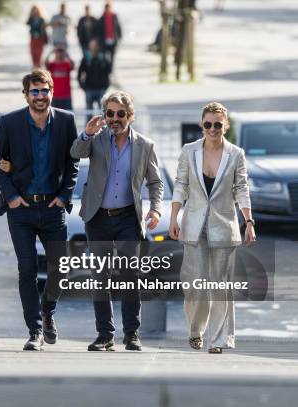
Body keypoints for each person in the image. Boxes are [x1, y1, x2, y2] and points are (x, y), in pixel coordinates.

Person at [70, 91, 163, 352]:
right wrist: (86, 133)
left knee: (130, 277)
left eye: (120, 114)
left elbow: (155, 182)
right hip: (98, 217)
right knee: (100, 277)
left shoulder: (145, 146)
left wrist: (155, 210)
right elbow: (75, 153)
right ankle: (105, 335)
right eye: (109, 113)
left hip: (128, 219)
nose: (114, 119)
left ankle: (132, 334)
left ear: (130, 117)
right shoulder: (97, 140)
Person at [0, 69, 79, 351]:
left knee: (60, 268)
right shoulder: (9, 123)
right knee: (27, 270)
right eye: (35, 91)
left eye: (44, 91)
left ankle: (48, 311)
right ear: (26, 94)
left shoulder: (66, 121)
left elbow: (72, 163)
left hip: (53, 207)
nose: (40, 96)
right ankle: (34, 331)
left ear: (52, 92)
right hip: (22, 209)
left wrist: (65, 195)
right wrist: (12, 197)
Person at [169, 102, 255, 354]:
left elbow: (241, 188)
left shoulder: (236, 154)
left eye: (218, 124)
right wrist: (174, 218)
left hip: (224, 225)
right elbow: (180, 184)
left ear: (225, 126)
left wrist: (249, 221)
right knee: (194, 283)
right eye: (208, 124)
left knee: (220, 285)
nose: (213, 128)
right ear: (201, 125)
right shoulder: (189, 151)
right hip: (193, 224)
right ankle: (196, 330)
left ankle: (218, 340)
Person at [78, 38, 111, 121]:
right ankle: (89, 132)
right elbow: (80, 73)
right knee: (88, 113)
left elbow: (109, 71)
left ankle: (103, 131)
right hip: (89, 89)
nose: (94, 48)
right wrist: (83, 86)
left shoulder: (103, 58)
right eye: (92, 46)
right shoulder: (86, 59)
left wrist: (106, 84)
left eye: (95, 46)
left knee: (102, 113)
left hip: (101, 89)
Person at [99, 1, 122, 72]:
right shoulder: (102, 18)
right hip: (104, 41)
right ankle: (106, 71)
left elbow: (118, 27)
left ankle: (111, 71)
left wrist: (119, 37)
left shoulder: (114, 16)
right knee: (105, 57)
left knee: (112, 57)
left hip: (113, 40)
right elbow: (99, 30)